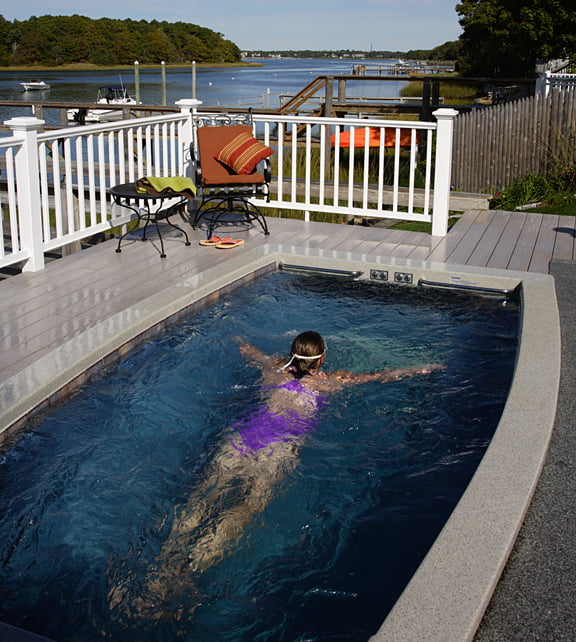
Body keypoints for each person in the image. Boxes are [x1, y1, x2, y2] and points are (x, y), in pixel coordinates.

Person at [109, 331, 442, 621]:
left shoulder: (272, 368)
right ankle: (192, 568)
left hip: (239, 442)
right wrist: (422, 369)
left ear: (291, 354)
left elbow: (248, 350)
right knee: (245, 508)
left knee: (202, 497)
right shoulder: (328, 382)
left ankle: (163, 560)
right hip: (277, 452)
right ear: (322, 357)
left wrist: (237, 337)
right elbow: (380, 376)